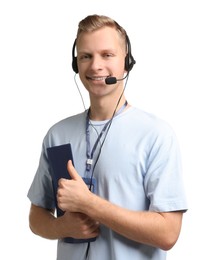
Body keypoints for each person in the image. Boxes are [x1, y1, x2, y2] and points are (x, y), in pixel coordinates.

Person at [27, 14, 187, 260]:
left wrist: (90, 204)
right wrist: (62, 227)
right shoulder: (57, 134)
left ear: (127, 61)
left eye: (107, 55)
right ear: (76, 64)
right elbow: (36, 217)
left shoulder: (156, 135)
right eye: (85, 56)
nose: (95, 66)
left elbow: (168, 233)